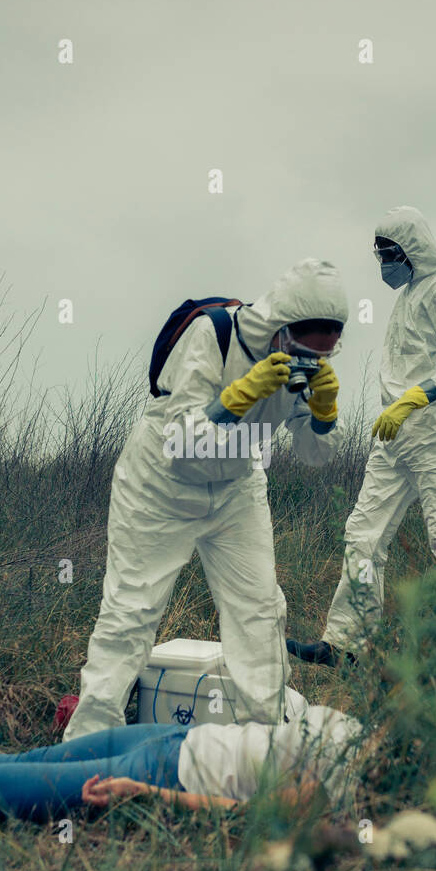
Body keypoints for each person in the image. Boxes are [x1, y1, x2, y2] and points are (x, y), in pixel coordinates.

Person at [64, 259, 348, 740]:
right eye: (303, 351)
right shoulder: (212, 333)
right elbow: (180, 443)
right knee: (131, 612)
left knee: (260, 611)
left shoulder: (308, 368)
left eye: (322, 356)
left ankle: (265, 745)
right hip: (160, 484)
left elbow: (314, 456)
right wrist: (235, 399)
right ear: (280, 329)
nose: (309, 363)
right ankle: (86, 744)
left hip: (237, 484)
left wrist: (323, 413)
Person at [288, 206, 436, 666]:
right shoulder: (409, 297)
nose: (384, 265)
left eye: (389, 254)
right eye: (379, 255)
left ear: (412, 249)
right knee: (363, 534)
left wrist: (411, 400)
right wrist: (394, 411)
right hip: (394, 438)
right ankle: (346, 644)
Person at [0, 697, 364, 825]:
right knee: (32, 756)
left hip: (163, 775)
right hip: (181, 737)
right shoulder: (365, 733)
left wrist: (149, 796)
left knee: (3, 786)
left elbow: (248, 814)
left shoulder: (347, 786)